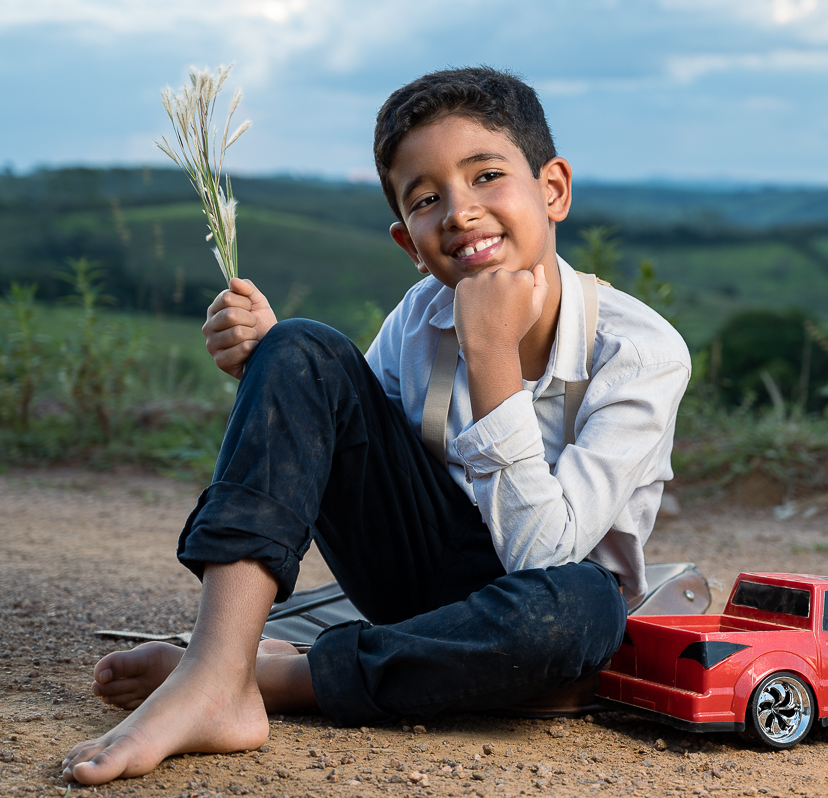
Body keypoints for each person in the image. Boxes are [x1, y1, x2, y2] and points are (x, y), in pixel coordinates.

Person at [61, 66, 690, 785]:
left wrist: (488, 354)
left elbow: (539, 557)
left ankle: (276, 678)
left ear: (553, 189)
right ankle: (212, 673)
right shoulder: (417, 320)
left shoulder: (639, 353)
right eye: (428, 199)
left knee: (581, 611)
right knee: (301, 348)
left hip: (541, 606)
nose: (460, 211)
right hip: (419, 579)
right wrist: (277, 368)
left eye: (486, 175)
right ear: (408, 242)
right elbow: (346, 438)